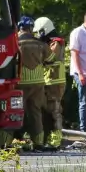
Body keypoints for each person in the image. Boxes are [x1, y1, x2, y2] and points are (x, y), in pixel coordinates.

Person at [16, 15, 49, 149]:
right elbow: (51, 58)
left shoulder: (16, 42)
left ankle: (16, 140)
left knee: (18, 111)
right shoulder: (39, 43)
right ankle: (38, 142)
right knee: (35, 111)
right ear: (30, 28)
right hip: (38, 82)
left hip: (20, 82)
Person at [33, 16, 66, 148]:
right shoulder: (49, 42)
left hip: (55, 81)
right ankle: (47, 138)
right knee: (46, 111)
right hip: (49, 80)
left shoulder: (55, 43)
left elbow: (48, 58)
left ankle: (55, 140)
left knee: (54, 110)